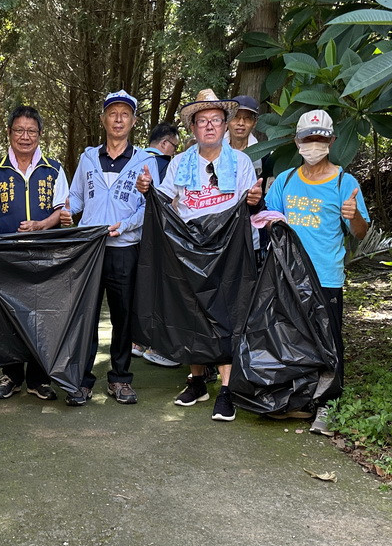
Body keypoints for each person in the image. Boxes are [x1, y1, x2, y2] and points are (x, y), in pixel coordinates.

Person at [135, 89, 262, 422]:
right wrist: (146, 189)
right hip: (189, 248)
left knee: (227, 315)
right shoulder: (181, 162)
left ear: (225, 126)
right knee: (189, 312)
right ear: (193, 128)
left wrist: (255, 200)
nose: (209, 127)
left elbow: (249, 205)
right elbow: (165, 200)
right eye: (202, 121)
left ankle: (227, 390)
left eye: (216, 121)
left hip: (228, 251)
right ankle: (196, 381)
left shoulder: (240, 162)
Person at [263, 109, 369, 435]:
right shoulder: (285, 180)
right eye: (308, 138)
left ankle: (328, 407)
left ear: (331, 141)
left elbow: (361, 232)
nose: (314, 144)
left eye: (320, 138)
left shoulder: (344, 182)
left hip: (326, 276)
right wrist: (265, 212)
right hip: (289, 276)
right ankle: (296, 402)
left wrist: (352, 216)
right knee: (293, 340)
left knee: (328, 343)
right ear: (297, 142)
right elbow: (268, 218)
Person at [60, 90, 154, 405]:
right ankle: (82, 381)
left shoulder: (145, 161)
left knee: (123, 315)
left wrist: (125, 225)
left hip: (125, 247)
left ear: (134, 121)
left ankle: (120, 379)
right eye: (112, 113)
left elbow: (150, 208)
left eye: (124, 114)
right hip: (89, 248)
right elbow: (75, 199)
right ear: (103, 119)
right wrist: (63, 213)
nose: (118, 119)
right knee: (84, 314)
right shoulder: (88, 158)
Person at [0, 105, 69, 401]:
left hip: (43, 253)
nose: (25, 136)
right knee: (6, 314)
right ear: (9, 133)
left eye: (31, 131)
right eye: (19, 130)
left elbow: (61, 209)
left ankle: (39, 378)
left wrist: (42, 225)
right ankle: (11, 375)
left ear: (40, 135)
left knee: (42, 314)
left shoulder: (53, 169)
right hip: (3, 254)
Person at [135, 122, 182, 367]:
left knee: (140, 288)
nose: (175, 151)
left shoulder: (131, 158)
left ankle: (138, 341)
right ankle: (160, 345)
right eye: (174, 146)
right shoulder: (166, 166)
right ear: (165, 144)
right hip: (160, 239)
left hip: (131, 240)